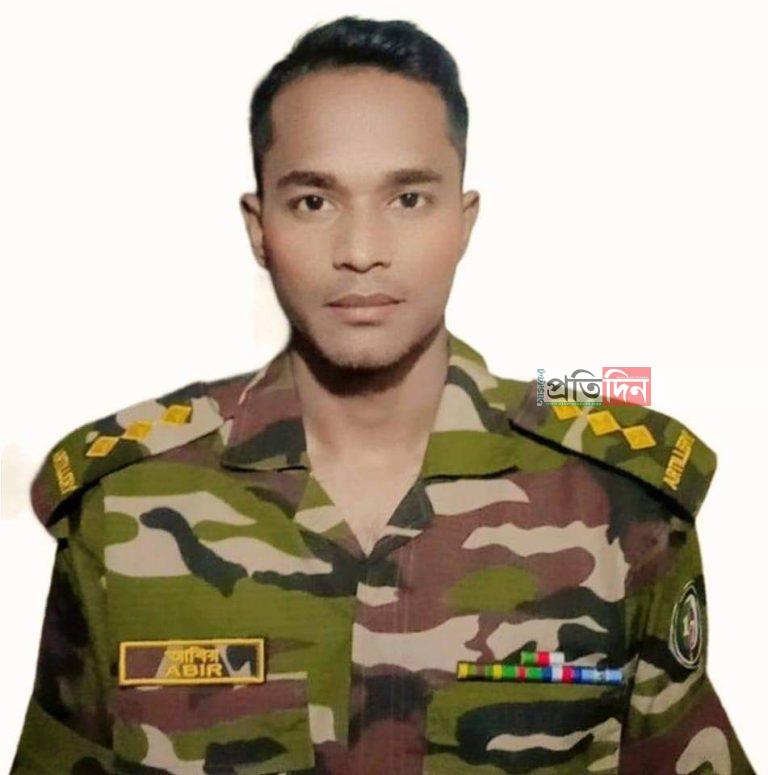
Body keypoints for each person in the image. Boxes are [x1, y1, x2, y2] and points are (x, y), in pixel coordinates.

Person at [11, 15, 755, 775]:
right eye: (314, 202)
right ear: (259, 227)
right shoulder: (125, 508)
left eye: (408, 199)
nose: (361, 251)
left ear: (463, 221)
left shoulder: (620, 506)